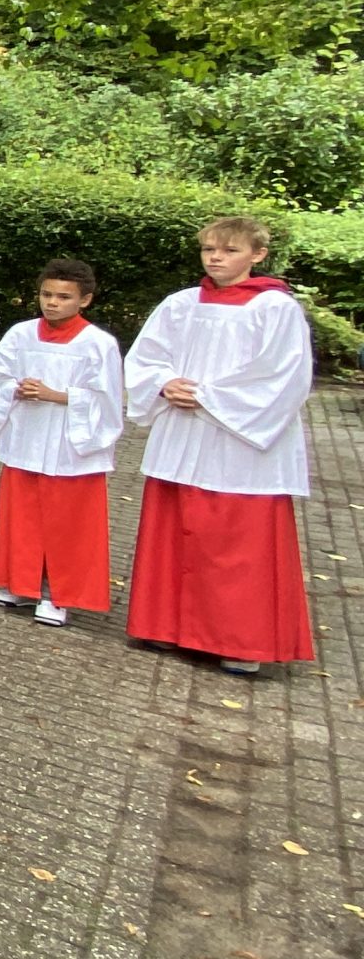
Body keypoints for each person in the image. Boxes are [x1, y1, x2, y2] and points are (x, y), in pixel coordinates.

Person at [124, 215, 316, 676]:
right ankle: (165, 626)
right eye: (209, 249)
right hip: (183, 433)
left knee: (238, 543)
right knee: (175, 531)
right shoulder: (181, 303)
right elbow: (146, 356)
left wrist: (208, 397)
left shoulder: (276, 308)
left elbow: (283, 375)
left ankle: (239, 641)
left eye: (229, 250)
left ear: (257, 255)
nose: (216, 258)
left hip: (240, 443)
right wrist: (164, 382)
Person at [0, 258, 124, 627]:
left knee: (66, 525)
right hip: (27, 439)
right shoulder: (21, 334)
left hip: (69, 447)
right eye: (47, 294)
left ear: (84, 300)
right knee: (23, 517)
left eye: (63, 297)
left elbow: (107, 399)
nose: (52, 303)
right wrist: (14, 389)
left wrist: (57, 395)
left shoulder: (98, 344)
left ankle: (58, 595)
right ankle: (20, 584)